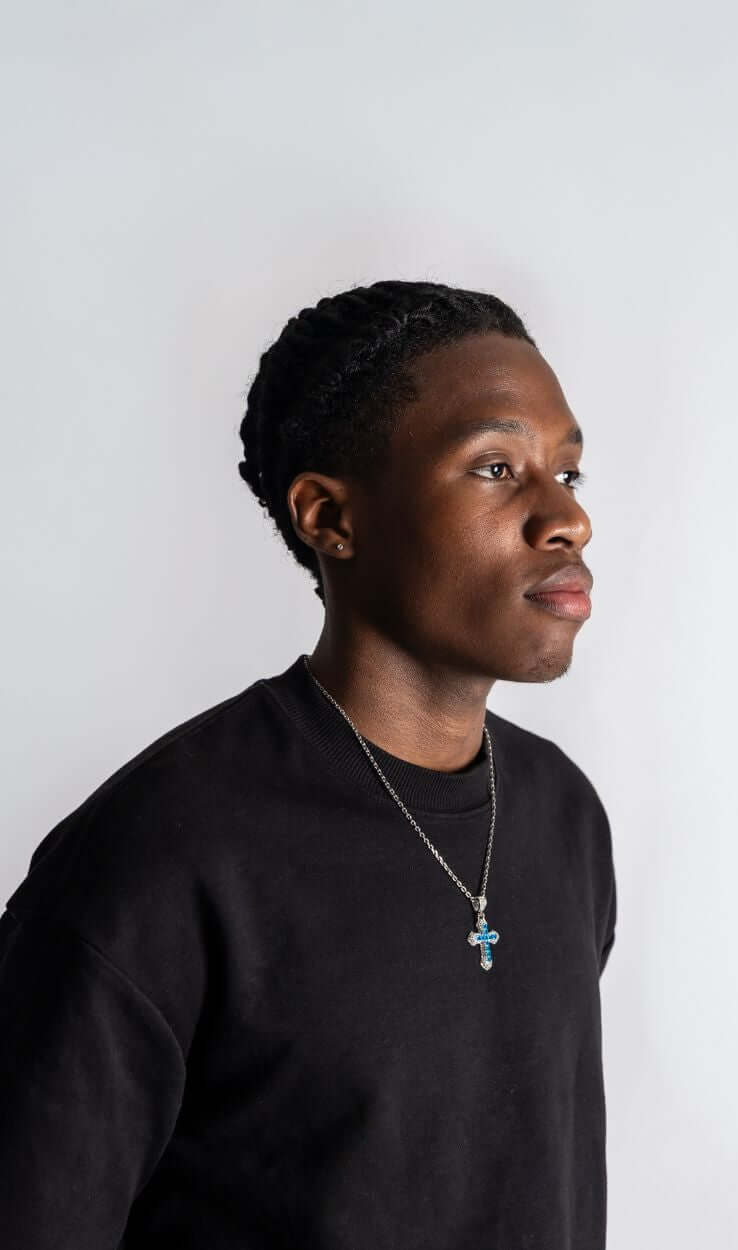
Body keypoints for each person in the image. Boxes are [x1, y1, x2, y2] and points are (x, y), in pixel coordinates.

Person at [0, 280, 617, 1248]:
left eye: (567, 474)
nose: (564, 519)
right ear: (329, 518)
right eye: (496, 468)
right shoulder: (160, 853)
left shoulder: (562, 819)